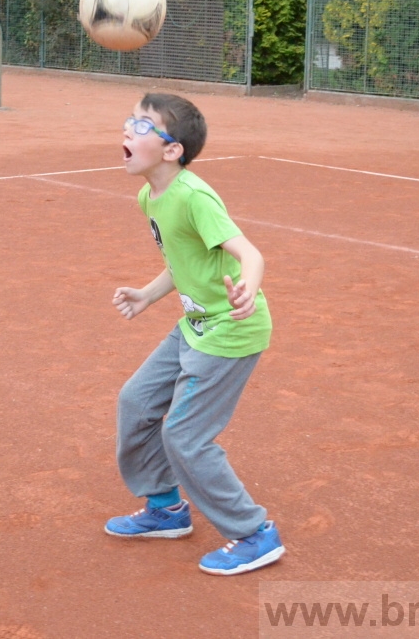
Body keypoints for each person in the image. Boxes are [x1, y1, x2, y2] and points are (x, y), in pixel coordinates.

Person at [105, 92, 284, 576]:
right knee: (136, 402)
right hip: (195, 324)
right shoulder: (150, 196)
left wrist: (248, 288)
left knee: (184, 434)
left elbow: (250, 253)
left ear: (172, 150)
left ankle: (254, 533)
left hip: (230, 329)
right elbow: (183, 261)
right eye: (129, 121)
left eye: (143, 126)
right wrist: (147, 294)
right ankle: (166, 507)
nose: (128, 130)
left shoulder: (194, 196)